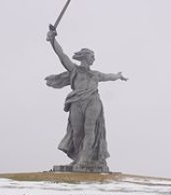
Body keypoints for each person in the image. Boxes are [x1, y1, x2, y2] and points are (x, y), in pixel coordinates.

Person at [45, 28, 127, 171]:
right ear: (85, 57)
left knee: (89, 130)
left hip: (92, 101)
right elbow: (62, 55)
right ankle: (78, 157)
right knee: (77, 131)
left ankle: (84, 159)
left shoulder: (96, 74)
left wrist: (118, 76)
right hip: (76, 101)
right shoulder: (74, 70)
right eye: (92, 56)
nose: (94, 58)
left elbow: (109, 76)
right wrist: (53, 40)